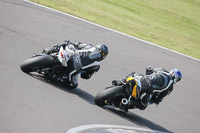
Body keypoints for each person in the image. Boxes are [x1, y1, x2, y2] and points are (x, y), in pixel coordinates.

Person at [42, 40, 109, 89]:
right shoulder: (96, 66)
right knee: (73, 85)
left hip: (73, 64)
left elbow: (78, 44)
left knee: (67, 42)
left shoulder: (89, 46)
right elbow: (85, 76)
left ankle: (50, 50)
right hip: (71, 60)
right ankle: (50, 51)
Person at [112, 66, 182, 111]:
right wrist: (156, 100)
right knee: (143, 105)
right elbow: (160, 97)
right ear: (177, 79)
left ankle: (119, 81)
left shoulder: (162, 70)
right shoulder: (170, 87)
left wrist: (148, 74)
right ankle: (126, 103)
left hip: (142, 79)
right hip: (148, 90)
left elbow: (149, 68)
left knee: (133, 74)